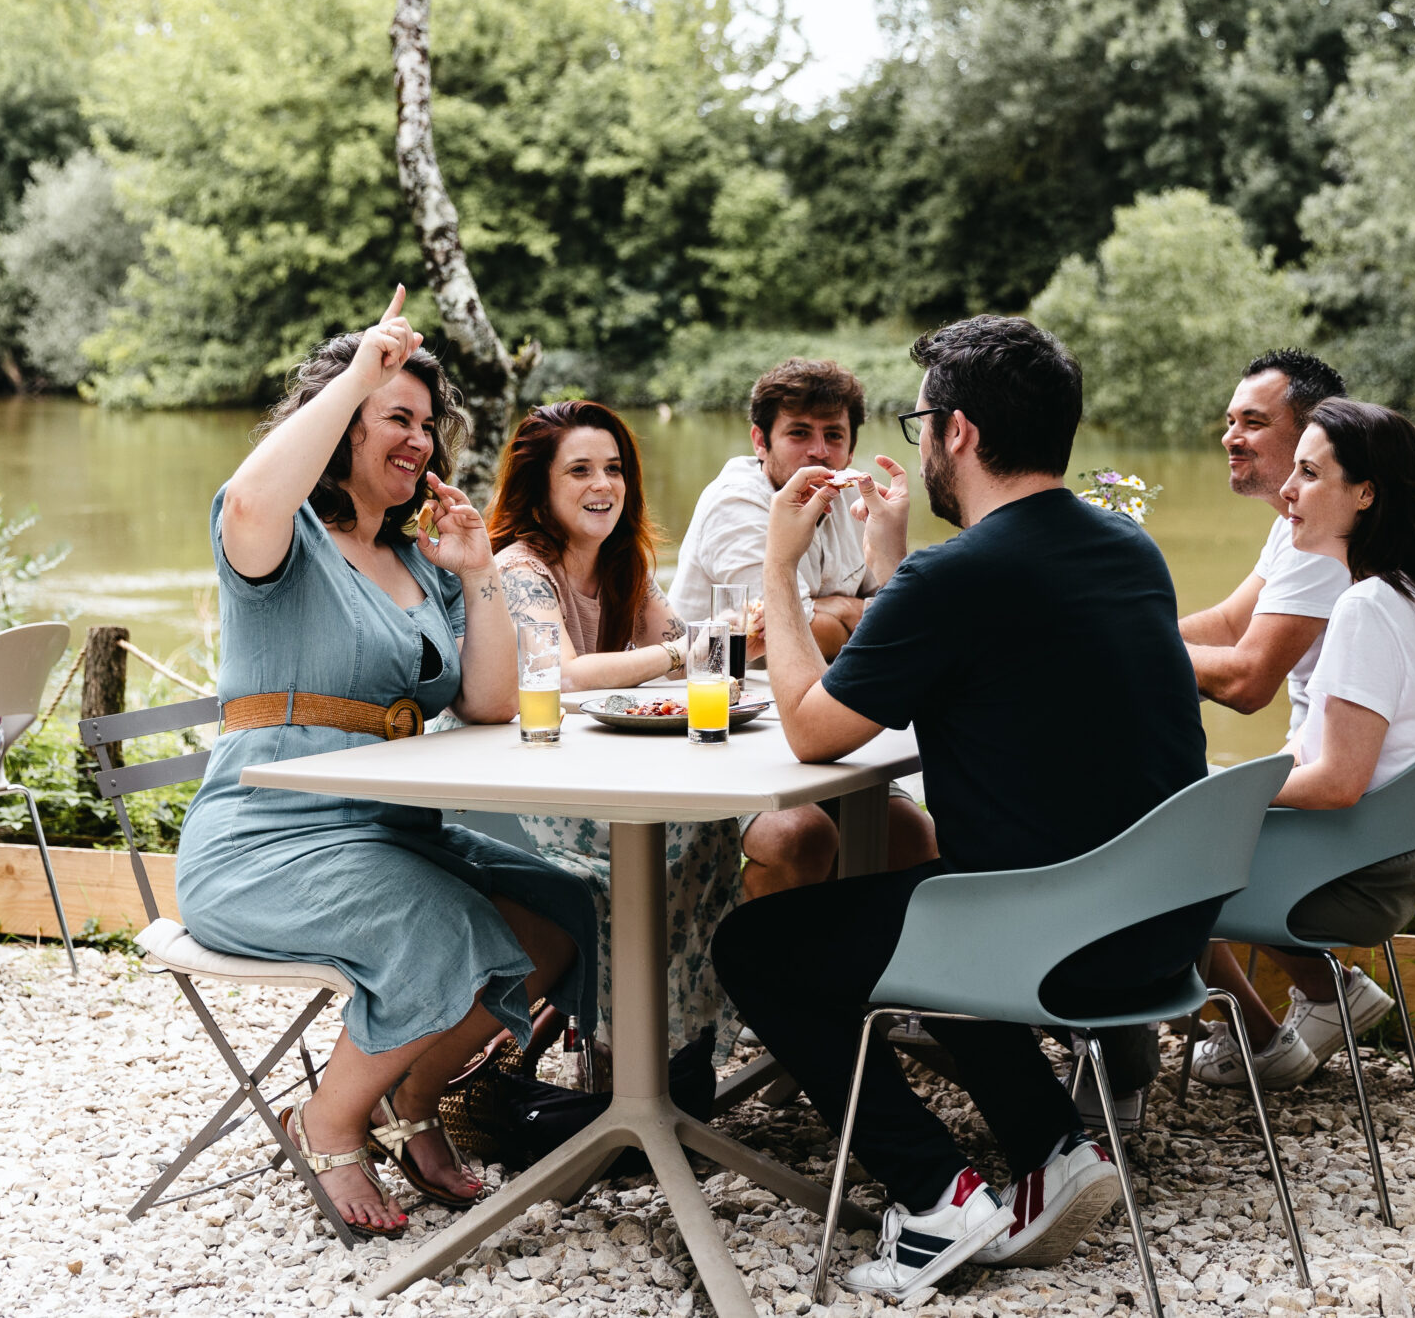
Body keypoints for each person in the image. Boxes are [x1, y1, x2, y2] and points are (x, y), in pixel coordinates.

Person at [712, 317, 1216, 1303]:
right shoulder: (1127, 550)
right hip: (1155, 928)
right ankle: (1050, 1147)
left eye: (919, 422)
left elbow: (814, 733)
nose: (917, 442)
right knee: (938, 890)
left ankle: (936, 1194)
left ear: (960, 434)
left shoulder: (959, 573)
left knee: (758, 948)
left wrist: (777, 565)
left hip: (1047, 937)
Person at [173, 289, 592, 1239]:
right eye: (396, 418)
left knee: (563, 916)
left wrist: (479, 571)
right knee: (442, 927)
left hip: (391, 831)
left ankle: (414, 1102)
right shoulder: (281, 539)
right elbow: (248, 493)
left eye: (428, 426)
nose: (420, 441)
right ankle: (329, 1115)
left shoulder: (423, 560)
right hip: (264, 842)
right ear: (341, 426)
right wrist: (363, 363)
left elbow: (485, 700)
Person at [1188, 398, 1415, 1094]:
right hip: (1386, 856)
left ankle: (1170, 1064)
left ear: (1366, 493)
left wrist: (1215, 792)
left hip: (1350, 876)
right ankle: (1292, 1014)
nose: (1287, 491)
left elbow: (1337, 782)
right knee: (1171, 821)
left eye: (1308, 474)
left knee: (1151, 866)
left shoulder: (1365, 608)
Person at [486, 399, 744, 1069]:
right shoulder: (521, 568)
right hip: (516, 787)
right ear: (540, 486)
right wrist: (683, 656)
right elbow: (566, 672)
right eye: (579, 470)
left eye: (614, 468)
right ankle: (621, 1047)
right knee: (671, 836)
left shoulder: (624, 563)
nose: (603, 484)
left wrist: (736, 637)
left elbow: (691, 645)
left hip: (588, 777)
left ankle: (665, 1037)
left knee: (710, 824)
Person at [668, 357, 936, 895]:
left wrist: (835, 610)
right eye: (799, 433)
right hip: (717, 722)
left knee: (912, 835)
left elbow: (884, 624)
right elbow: (779, 639)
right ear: (759, 441)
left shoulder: (845, 498)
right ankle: (764, 976)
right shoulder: (739, 503)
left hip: (812, 712)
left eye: (833, 435)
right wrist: (841, 614)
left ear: (851, 448)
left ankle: (867, 975)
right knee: (801, 837)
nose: (819, 451)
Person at [1180, 349, 1352, 729]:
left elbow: (1248, 682)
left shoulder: (1324, 536)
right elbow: (1228, 624)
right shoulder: (1293, 520)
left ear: (1314, 431)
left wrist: (1136, 649)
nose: (1229, 438)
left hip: (1321, 770)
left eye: (1252, 423)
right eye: (1230, 422)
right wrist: (1127, 632)